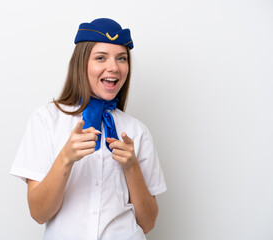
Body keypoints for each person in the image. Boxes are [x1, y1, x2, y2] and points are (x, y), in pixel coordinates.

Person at [10, 18, 167, 240]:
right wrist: (66, 157)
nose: (113, 67)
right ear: (81, 63)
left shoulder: (138, 131)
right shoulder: (46, 119)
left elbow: (148, 223)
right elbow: (39, 213)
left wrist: (131, 167)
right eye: (101, 57)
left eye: (121, 58)